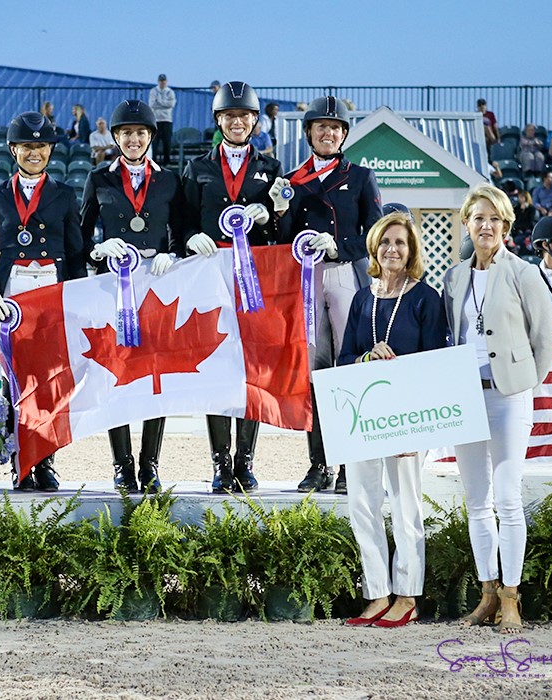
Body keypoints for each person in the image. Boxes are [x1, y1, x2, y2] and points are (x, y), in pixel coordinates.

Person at [444, 184, 552, 634]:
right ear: (467, 225)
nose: (486, 226)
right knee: (476, 502)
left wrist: (524, 384)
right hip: (465, 395)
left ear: (506, 226)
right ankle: (487, 593)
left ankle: (512, 596)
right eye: (478, 218)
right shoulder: (454, 277)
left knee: (508, 497)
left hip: (509, 396)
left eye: (494, 219)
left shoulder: (524, 274)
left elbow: (545, 338)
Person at [338, 211, 447, 628]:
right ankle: (378, 594)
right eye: (386, 242)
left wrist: (419, 427)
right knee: (362, 505)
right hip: (365, 416)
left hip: (407, 418)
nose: (392, 250)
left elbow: (435, 362)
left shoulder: (425, 298)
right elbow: (345, 356)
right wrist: (369, 356)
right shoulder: (362, 299)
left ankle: (407, 596)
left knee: (405, 507)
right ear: (374, 248)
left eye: (400, 243)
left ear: (412, 250)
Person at [0, 111, 87, 491]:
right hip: (12, 296)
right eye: (27, 146)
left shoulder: (65, 195)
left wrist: (76, 304)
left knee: (49, 382)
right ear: (13, 149)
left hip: (51, 291)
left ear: (50, 150)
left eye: (40, 146)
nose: (34, 152)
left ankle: (46, 462)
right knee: (13, 383)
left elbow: (74, 253)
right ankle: (18, 460)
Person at [181, 81, 283, 494]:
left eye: (244, 116)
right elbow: (183, 219)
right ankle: (220, 463)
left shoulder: (271, 169)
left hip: (253, 280)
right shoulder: (197, 168)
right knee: (216, 368)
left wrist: (271, 212)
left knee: (251, 368)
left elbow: (284, 230)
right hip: (210, 274)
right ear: (219, 120)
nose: (237, 122)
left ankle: (246, 461)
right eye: (229, 116)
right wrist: (190, 237)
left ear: (255, 122)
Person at [279, 95, 383, 495]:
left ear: (343, 135)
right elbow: (284, 237)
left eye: (335, 128)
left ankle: (350, 467)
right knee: (315, 373)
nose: (328, 132)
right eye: (321, 127)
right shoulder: (291, 180)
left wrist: (338, 244)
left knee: (349, 367)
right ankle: (319, 463)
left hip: (341, 274)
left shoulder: (360, 176)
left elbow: (373, 233)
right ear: (310, 133)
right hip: (305, 280)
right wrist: (278, 211)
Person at [81, 99, 183, 493]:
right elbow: (82, 233)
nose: (134, 139)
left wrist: (173, 254)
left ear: (150, 137)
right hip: (114, 284)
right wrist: (98, 250)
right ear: (116, 137)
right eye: (126, 133)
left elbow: (183, 228)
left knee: (155, 374)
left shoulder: (170, 180)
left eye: (140, 133)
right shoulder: (99, 179)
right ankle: (122, 464)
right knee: (118, 374)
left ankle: (150, 463)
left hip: (157, 283)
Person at [149, 74, 176, 166]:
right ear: (158, 82)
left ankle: (166, 162)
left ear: (166, 81)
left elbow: (171, 104)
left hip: (167, 120)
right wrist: (164, 104)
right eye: (161, 81)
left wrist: (159, 102)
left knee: (167, 142)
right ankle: (154, 162)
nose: (162, 82)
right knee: (155, 142)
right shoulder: (153, 91)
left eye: (164, 81)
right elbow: (152, 104)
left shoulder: (170, 92)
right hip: (156, 120)